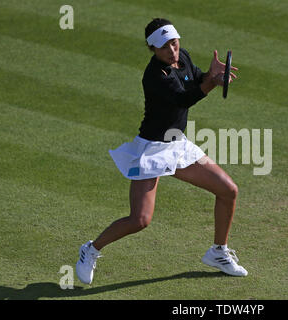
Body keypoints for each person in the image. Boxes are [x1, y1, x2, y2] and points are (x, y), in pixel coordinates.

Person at [75, 18, 247, 284]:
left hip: (178, 144)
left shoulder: (183, 57)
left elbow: (194, 80)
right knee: (140, 220)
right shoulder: (155, 75)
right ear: (152, 49)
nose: (172, 50)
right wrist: (212, 82)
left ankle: (218, 252)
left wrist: (210, 76)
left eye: (174, 43)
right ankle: (91, 249)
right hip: (153, 150)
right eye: (164, 46)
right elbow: (183, 99)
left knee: (228, 190)